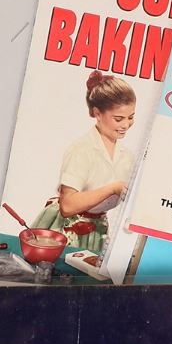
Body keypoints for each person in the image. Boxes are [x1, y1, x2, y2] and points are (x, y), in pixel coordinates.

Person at [30, 74, 138, 255]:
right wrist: (113, 188)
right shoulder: (81, 150)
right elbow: (67, 206)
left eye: (131, 117)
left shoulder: (127, 156)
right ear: (97, 113)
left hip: (97, 229)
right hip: (66, 228)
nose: (126, 125)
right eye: (119, 119)